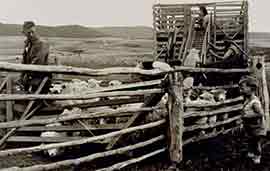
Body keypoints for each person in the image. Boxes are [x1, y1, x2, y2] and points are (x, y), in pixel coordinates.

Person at [239, 76, 267, 164]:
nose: (240, 90)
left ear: (251, 89)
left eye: (242, 88)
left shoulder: (255, 102)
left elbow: (260, 113)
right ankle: (251, 152)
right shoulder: (247, 99)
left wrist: (247, 116)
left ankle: (257, 156)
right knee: (250, 140)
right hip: (250, 126)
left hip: (257, 127)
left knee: (256, 142)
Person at [18, 21, 51, 93]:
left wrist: (27, 75)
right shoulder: (28, 44)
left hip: (40, 77)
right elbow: (24, 60)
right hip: (30, 76)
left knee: (36, 100)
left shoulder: (41, 44)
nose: (28, 35)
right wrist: (21, 76)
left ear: (32, 31)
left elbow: (38, 61)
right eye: (26, 33)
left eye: (29, 33)